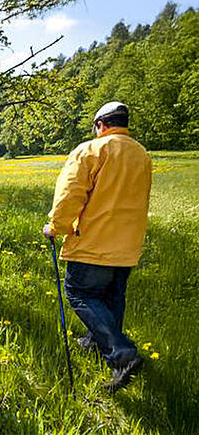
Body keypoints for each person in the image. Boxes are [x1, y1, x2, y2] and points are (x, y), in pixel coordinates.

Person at [43, 102, 151, 392]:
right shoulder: (141, 154)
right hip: (127, 245)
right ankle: (95, 342)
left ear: (101, 124)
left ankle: (122, 354)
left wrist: (54, 227)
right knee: (111, 298)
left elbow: (70, 194)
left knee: (79, 293)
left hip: (93, 242)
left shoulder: (91, 150)